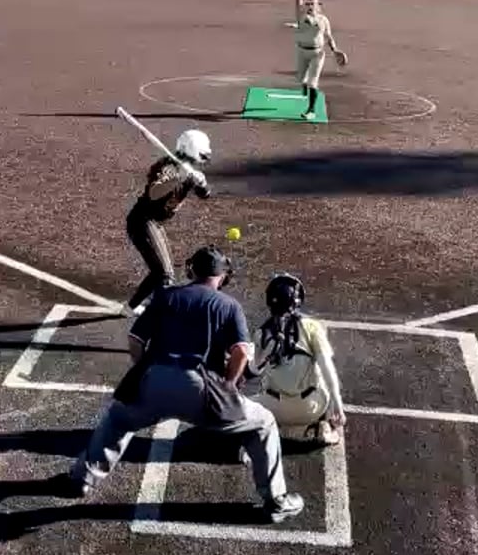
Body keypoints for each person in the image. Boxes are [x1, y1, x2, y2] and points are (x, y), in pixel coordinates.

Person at [61, 247, 304, 523]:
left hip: (155, 382)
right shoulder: (229, 305)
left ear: (192, 270)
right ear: (223, 276)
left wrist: (144, 371)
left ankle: (82, 479)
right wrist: (227, 385)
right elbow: (240, 352)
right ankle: (276, 500)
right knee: (263, 423)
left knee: (118, 419)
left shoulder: (166, 296)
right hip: (200, 390)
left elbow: (135, 340)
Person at [247, 273, 346, 446]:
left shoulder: (261, 333)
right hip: (311, 407)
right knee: (321, 375)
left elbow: (255, 369)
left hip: (272, 408)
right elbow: (327, 367)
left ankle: (280, 430)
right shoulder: (312, 327)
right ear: (297, 301)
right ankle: (316, 427)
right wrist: (337, 403)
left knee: (245, 405)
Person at [124, 129, 213, 318]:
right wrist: (177, 178)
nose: (202, 161)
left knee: (161, 271)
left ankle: (130, 307)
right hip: (143, 221)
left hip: (155, 223)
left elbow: (205, 195)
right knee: (165, 274)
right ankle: (159, 314)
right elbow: (153, 193)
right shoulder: (167, 168)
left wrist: (201, 182)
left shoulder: (189, 170)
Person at [286, 0, 348, 122]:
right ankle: (304, 84)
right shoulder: (301, 16)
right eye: (307, 3)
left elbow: (328, 37)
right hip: (302, 52)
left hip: (317, 54)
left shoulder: (324, 20)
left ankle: (311, 111)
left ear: (318, 6)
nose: (309, 5)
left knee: (313, 82)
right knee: (301, 79)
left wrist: (335, 50)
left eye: (312, 3)